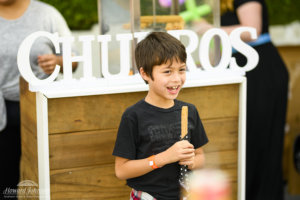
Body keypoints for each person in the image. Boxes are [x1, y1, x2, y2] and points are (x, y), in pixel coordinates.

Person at [112, 32, 208, 200]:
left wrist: (191, 161)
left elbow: (200, 157)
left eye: (181, 70)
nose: (177, 78)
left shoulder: (189, 111)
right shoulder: (133, 116)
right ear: (145, 74)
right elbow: (121, 170)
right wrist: (163, 158)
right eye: (167, 71)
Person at [0, 0, 77, 198]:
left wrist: (59, 62)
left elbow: (75, 58)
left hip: (42, 109)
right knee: (6, 179)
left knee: (43, 176)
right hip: (3, 111)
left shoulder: (47, 15)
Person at [219, 0, 289, 199]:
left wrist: (209, 30)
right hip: (244, 70)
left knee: (259, 144)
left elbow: (252, 30)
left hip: (261, 72)